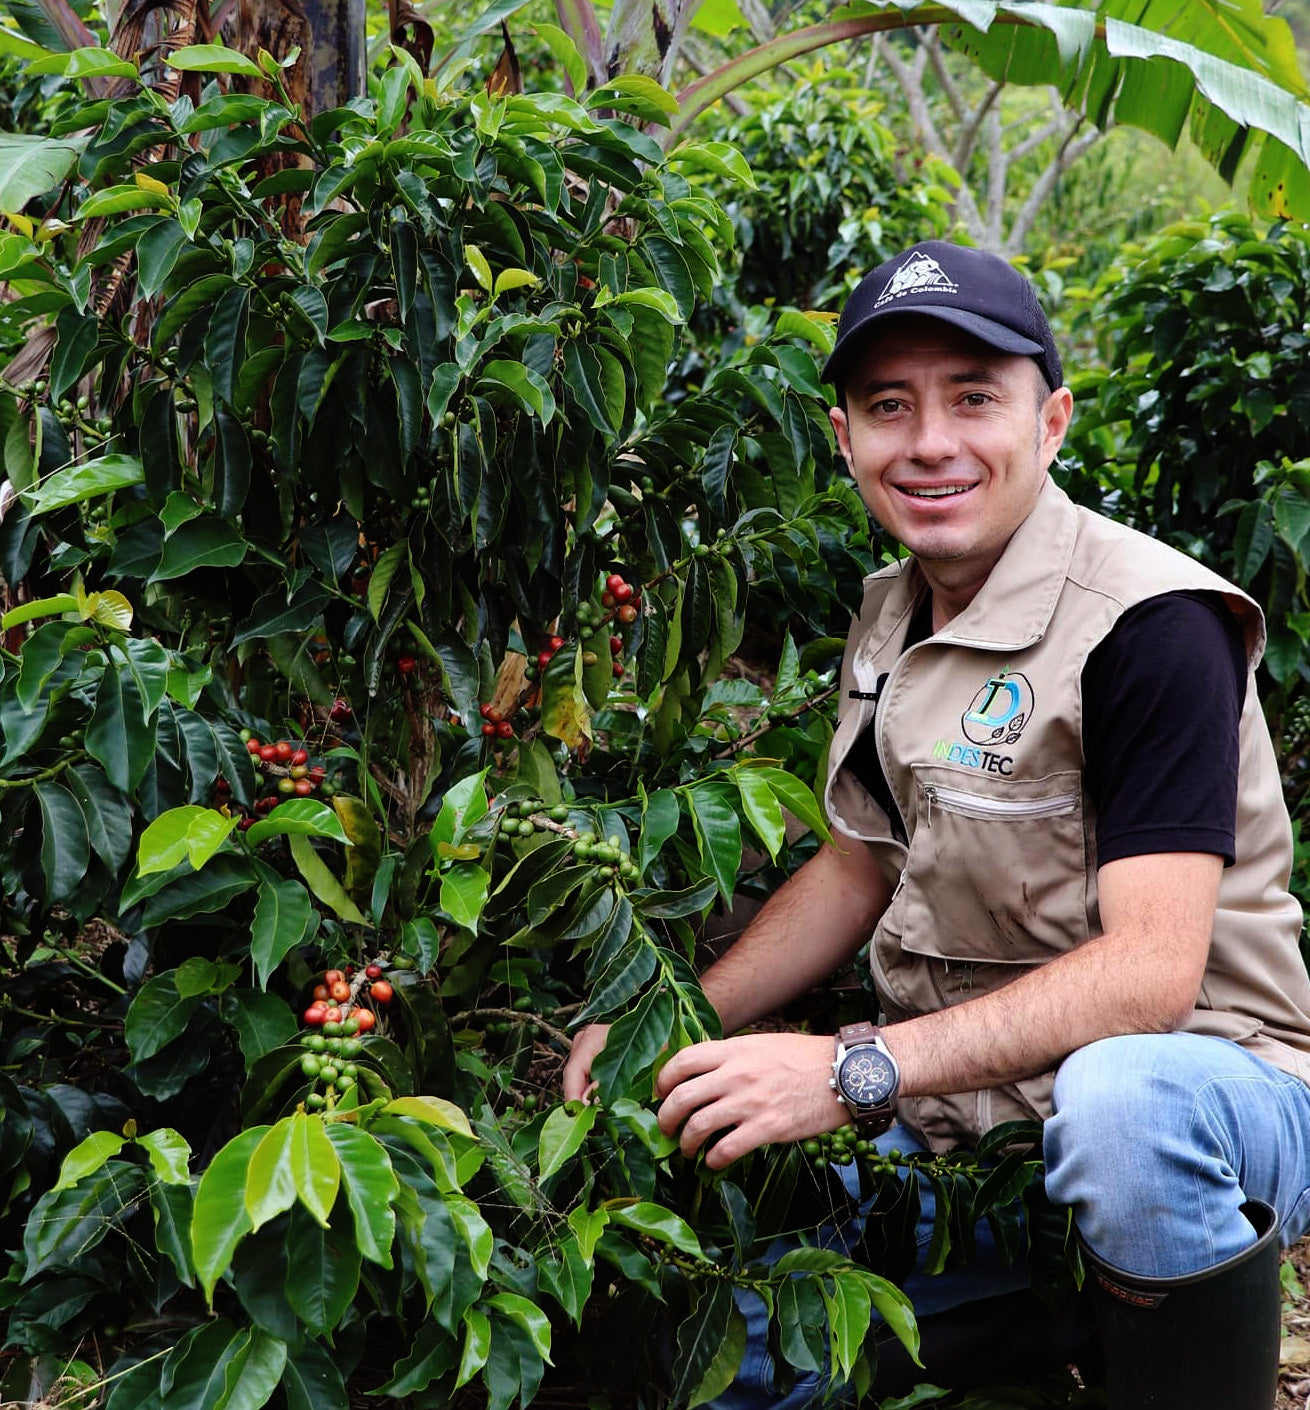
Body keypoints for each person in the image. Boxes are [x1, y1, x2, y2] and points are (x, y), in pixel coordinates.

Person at [563, 240, 1310, 1409]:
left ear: (1050, 422)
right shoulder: (894, 614)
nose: (927, 442)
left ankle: (1147, 1334)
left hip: (1213, 1094)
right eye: (888, 406)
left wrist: (849, 1069)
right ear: (842, 437)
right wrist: (670, 1025)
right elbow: (857, 864)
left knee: (1123, 1109)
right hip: (968, 1119)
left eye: (972, 398)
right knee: (713, 1350)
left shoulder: (1150, 624)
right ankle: (1033, 1315)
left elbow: (1151, 975)